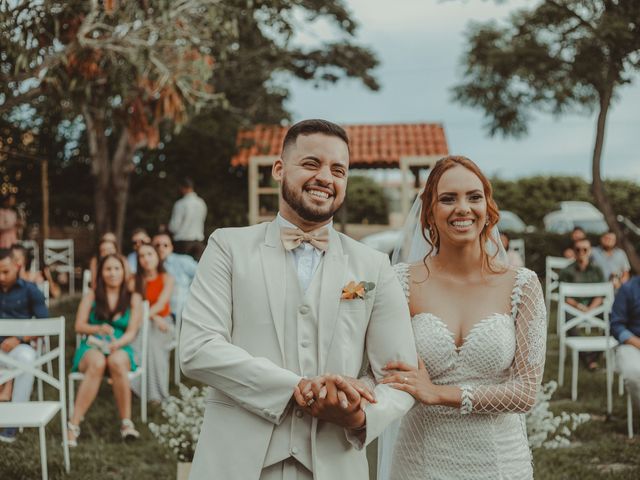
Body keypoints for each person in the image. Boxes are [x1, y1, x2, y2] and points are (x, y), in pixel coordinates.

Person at [179, 119, 417, 480]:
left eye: (338, 170)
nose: (325, 177)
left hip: (333, 464)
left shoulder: (373, 266)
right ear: (279, 169)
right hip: (236, 462)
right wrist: (295, 388)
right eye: (311, 164)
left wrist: (359, 414)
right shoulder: (228, 246)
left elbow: (399, 376)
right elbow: (198, 348)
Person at [377, 156, 547, 480]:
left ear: (487, 207)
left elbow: (525, 393)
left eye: (473, 196)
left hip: (500, 463)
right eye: (447, 198)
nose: (463, 208)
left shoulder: (522, 285)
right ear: (429, 211)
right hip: (419, 461)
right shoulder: (399, 282)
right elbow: (378, 369)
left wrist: (439, 393)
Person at [67, 254, 142, 446]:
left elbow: (132, 330)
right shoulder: (92, 295)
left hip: (120, 345)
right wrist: (98, 328)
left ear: (124, 272)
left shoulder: (133, 297)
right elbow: (79, 325)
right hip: (92, 345)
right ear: (101, 273)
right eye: (108, 269)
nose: (113, 273)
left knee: (116, 361)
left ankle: (126, 423)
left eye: (117, 268)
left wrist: (118, 343)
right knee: (98, 362)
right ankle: (73, 425)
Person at [0, 248, 49, 443]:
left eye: (5, 271)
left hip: (19, 345)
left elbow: (44, 325)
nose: (1, 276)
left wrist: (19, 339)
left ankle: (13, 422)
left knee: (27, 358)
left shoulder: (31, 290)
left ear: (17, 266)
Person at [131, 242, 174, 402]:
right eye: (141, 256)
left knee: (152, 342)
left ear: (157, 257)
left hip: (164, 323)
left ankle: (156, 393)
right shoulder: (136, 280)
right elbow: (134, 305)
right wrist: (152, 316)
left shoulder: (167, 278)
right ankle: (136, 385)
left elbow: (161, 304)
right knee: (143, 335)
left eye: (149, 254)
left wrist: (154, 317)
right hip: (142, 321)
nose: (146, 259)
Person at [558, 237, 605, 370]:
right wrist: (580, 307)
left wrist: (590, 308)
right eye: (578, 249)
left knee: (614, 321)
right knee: (567, 322)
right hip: (574, 308)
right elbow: (566, 298)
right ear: (574, 251)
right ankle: (589, 360)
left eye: (585, 249)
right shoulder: (567, 271)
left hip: (594, 307)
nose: (581, 252)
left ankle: (592, 357)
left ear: (590, 251)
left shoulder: (597, 270)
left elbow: (601, 295)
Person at [611, 275, 640, 411]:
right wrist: (636, 342)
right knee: (634, 373)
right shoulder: (628, 289)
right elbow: (616, 326)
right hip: (632, 344)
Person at [151, 231, 197, 317]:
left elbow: (204, 277)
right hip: (159, 315)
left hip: (185, 314)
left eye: (165, 245)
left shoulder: (183, 261)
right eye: (157, 245)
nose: (161, 248)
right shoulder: (148, 266)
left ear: (171, 247)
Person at [168, 177, 207, 260]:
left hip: (183, 243)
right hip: (198, 242)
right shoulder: (201, 203)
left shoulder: (180, 204)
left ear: (182, 188)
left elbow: (174, 227)